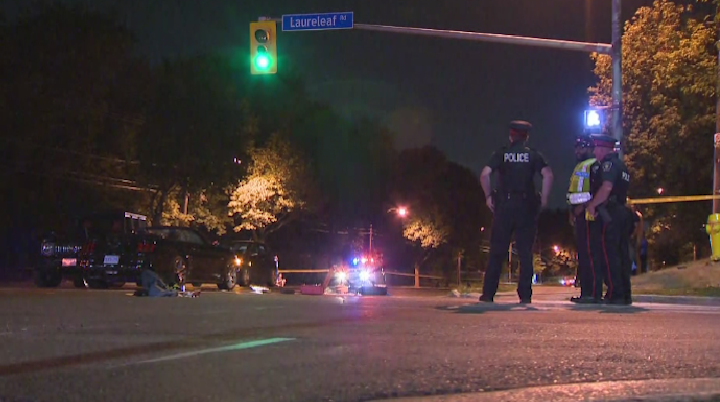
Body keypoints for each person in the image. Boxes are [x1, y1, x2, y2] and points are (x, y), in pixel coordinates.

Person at [480, 120, 554, 303]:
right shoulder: (533, 155)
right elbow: (548, 175)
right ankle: (525, 295)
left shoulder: (501, 153)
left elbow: (484, 174)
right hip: (526, 207)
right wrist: (544, 199)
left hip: (504, 206)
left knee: (497, 250)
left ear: (511, 136)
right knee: (525, 252)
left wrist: (488, 196)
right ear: (526, 137)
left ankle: (488, 294)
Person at [585, 134, 631, 305]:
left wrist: (592, 205)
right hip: (621, 212)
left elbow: (606, 187)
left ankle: (614, 293)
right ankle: (625, 293)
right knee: (621, 253)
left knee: (608, 253)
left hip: (610, 213)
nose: (595, 152)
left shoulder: (608, 165)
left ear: (603, 149)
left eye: (597, 148)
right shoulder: (622, 165)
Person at [567, 135, 600, 304]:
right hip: (580, 215)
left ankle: (591, 292)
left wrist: (582, 207)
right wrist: (572, 212)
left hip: (588, 215)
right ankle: (587, 291)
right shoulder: (581, 166)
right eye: (576, 147)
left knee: (589, 254)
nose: (577, 151)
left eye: (581, 147)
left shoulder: (593, 165)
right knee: (584, 254)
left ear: (589, 148)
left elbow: (595, 190)